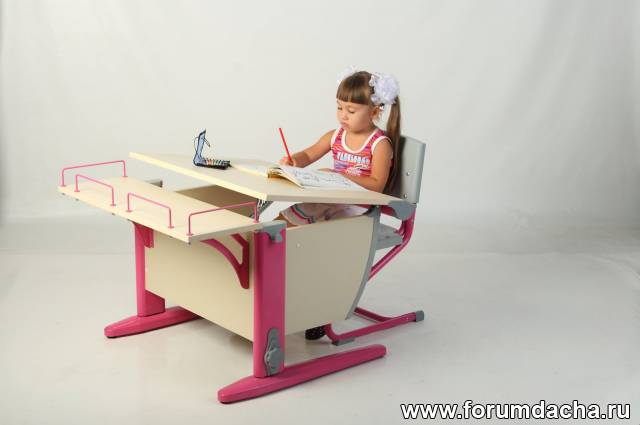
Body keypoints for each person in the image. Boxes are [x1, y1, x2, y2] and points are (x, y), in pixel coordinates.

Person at [275, 68, 402, 228]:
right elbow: (308, 154)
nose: (343, 115)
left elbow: (377, 185)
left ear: (374, 112)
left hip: (358, 208)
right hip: (332, 200)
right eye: (339, 108)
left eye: (351, 111)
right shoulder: (335, 136)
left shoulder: (379, 144)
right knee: (281, 222)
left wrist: (338, 177)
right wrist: (294, 161)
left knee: (305, 230)